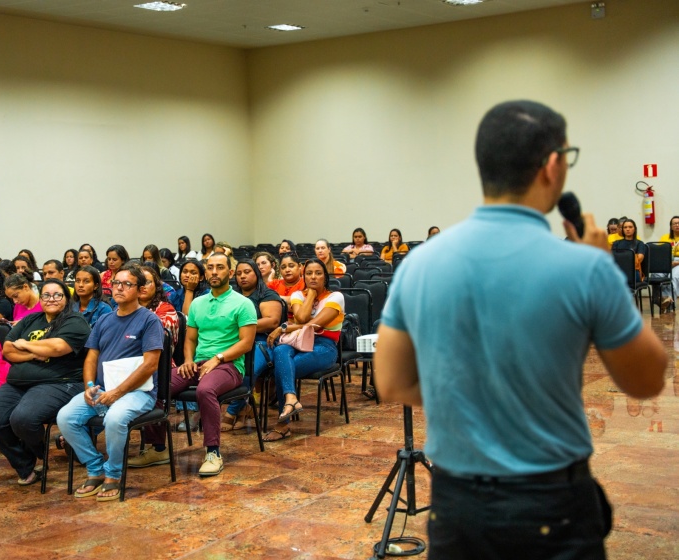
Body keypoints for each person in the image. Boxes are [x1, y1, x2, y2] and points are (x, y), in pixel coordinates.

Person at [373, 100, 666, 559]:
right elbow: (646, 380)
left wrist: (476, 397)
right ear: (551, 166)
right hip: (550, 502)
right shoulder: (585, 268)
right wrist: (605, 268)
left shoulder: (421, 263)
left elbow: (390, 381)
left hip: (457, 504)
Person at [131, 254, 256, 477]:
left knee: (205, 389)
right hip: (198, 363)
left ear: (230, 273)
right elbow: (190, 339)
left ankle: (213, 452)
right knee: (155, 385)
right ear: (205, 273)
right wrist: (188, 361)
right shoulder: (198, 303)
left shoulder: (243, 304)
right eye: (210, 268)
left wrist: (217, 358)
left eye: (220, 268)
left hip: (229, 365)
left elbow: (246, 343)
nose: (214, 272)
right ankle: (158, 448)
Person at [57, 265, 165, 500]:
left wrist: (117, 393)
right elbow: (91, 357)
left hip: (138, 392)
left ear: (140, 289)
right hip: (103, 389)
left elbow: (150, 365)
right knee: (65, 417)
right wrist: (88, 386)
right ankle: (95, 468)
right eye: (116, 283)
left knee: (115, 418)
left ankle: (113, 474)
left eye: (127, 284)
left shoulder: (149, 321)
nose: (119, 288)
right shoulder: (105, 320)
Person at [0, 279, 91, 485]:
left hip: (59, 382)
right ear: (40, 298)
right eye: (46, 295)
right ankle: (26, 465)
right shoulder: (29, 320)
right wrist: (35, 353)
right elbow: (8, 351)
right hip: (18, 383)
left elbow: (57, 347)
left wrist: (26, 344)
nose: (52, 299)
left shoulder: (75, 321)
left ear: (66, 299)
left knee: (23, 418)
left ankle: (41, 453)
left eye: (58, 295)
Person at [264, 259, 343, 441]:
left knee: (282, 367)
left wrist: (284, 328)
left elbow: (314, 325)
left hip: (324, 347)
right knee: (281, 351)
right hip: (298, 343)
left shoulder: (335, 297)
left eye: (318, 273)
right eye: (309, 273)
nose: (313, 277)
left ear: (326, 276)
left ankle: (283, 424)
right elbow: (301, 317)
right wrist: (311, 294)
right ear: (303, 276)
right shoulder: (298, 295)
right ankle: (291, 398)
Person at [222, 259, 282, 431]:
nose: (242, 276)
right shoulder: (231, 297)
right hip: (235, 342)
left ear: (256, 273)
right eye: (239, 273)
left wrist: (242, 326)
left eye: (247, 272)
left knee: (247, 368)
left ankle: (232, 412)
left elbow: (272, 321)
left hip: (263, 343)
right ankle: (244, 408)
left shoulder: (267, 295)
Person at [267, 253, 306, 319]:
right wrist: (291, 303)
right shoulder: (273, 284)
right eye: (283, 267)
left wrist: (275, 300)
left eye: (291, 266)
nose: (287, 270)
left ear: (299, 266)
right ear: (280, 270)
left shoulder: (306, 284)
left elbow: (304, 308)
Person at [656, 215, 679, 311]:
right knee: (656, 275)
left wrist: (676, 262)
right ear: (671, 226)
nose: (677, 225)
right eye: (675, 223)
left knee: (673, 277)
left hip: (678, 261)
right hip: (666, 260)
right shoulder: (664, 238)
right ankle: (661, 299)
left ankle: (668, 302)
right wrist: (668, 262)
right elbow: (659, 253)